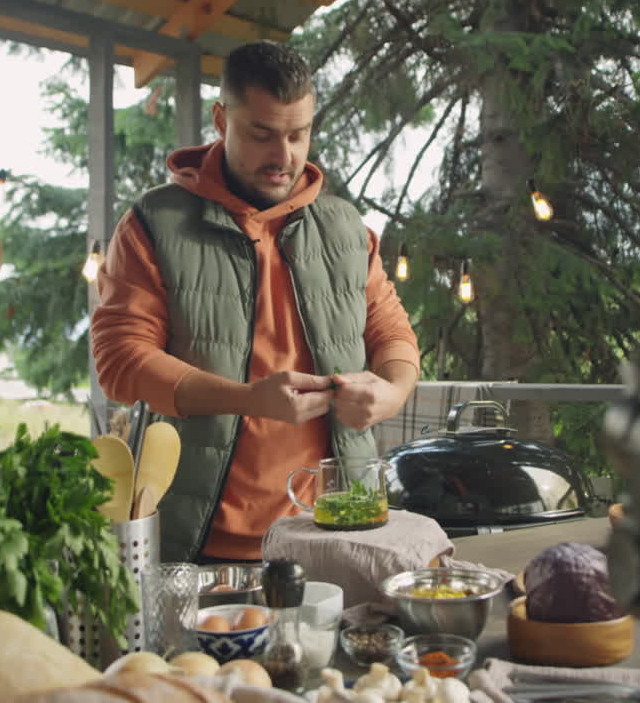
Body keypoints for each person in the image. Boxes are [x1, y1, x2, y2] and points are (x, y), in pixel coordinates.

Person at [91, 41, 420, 563]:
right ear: (221, 120)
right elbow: (120, 363)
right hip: (196, 544)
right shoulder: (153, 224)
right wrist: (246, 399)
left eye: (298, 135)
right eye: (262, 134)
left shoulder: (347, 229)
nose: (283, 157)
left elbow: (392, 333)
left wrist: (394, 392)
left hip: (335, 535)